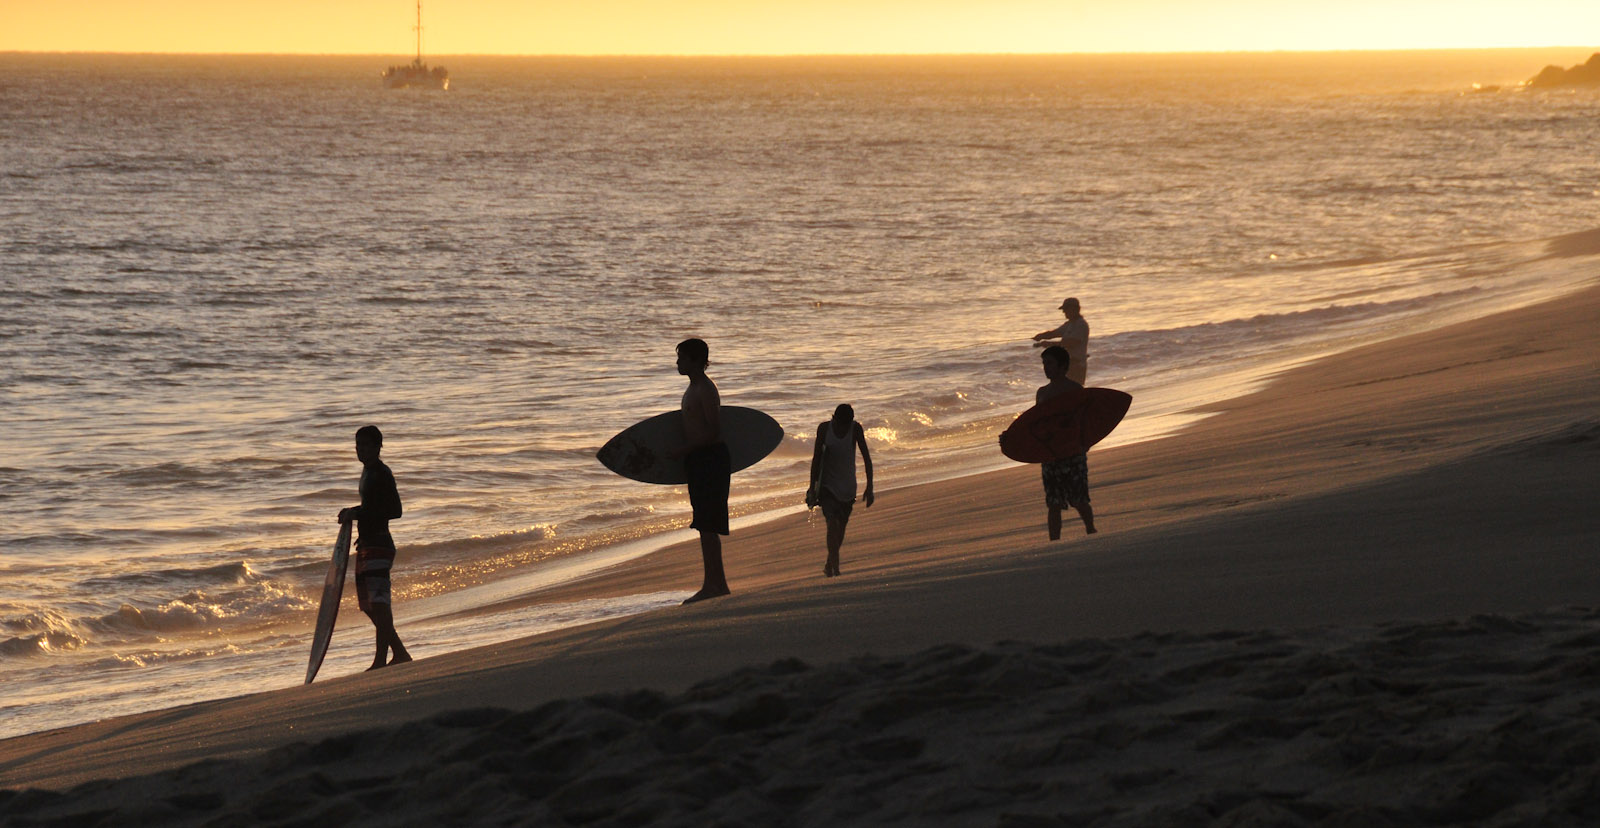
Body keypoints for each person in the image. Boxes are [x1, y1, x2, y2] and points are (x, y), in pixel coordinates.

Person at [336, 425, 412, 670]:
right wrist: (358, 520)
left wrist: (355, 513)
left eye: (367, 445)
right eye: (358, 445)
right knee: (368, 605)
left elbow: (395, 511)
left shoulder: (381, 473)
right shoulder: (367, 473)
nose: (361, 449)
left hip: (380, 545)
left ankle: (381, 660)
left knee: (379, 603)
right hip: (369, 544)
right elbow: (373, 508)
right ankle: (399, 651)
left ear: (379, 446)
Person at [675, 338, 732, 604]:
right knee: (704, 525)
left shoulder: (706, 390)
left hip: (710, 459)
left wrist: (684, 450)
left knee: (708, 524)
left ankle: (714, 585)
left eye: (682, 357)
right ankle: (716, 583)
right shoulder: (693, 388)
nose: (677, 362)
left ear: (696, 361)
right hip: (699, 460)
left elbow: (714, 430)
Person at [806, 404, 876, 577]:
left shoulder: (855, 429)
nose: (842, 428)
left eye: (845, 425)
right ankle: (835, 568)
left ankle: (830, 563)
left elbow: (866, 457)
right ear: (834, 418)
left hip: (847, 486)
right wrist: (812, 487)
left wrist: (870, 486)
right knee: (831, 523)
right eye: (839, 424)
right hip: (828, 486)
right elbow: (816, 459)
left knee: (841, 527)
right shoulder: (824, 429)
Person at [1036, 346, 1096, 540]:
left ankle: (1091, 529)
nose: (1046, 368)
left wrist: (1083, 444)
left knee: (1078, 499)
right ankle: (1054, 541)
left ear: (1063, 366)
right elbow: (1036, 423)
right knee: (1053, 503)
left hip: (1073, 453)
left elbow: (1084, 421)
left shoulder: (1075, 390)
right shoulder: (1042, 393)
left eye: (1050, 363)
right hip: (1051, 454)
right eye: (1044, 364)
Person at [1032, 296, 1089, 385]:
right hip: (1068, 365)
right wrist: (1041, 336)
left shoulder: (1081, 324)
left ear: (1074, 309)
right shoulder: (1069, 324)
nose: (1063, 312)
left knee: (1074, 392)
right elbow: (1054, 333)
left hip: (1077, 365)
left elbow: (1071, 343)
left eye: (1066, 309)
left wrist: (1049, 344)